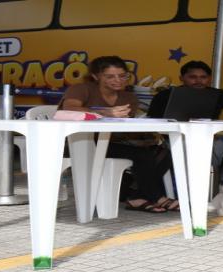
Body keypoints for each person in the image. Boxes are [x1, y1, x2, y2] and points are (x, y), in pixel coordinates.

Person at [59, 56, 178, 213]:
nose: (118, 80)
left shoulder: (129, 97)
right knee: (141, 155)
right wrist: (104, 112)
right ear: (96, 76)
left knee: (165, 152)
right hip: (80, 144)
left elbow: (122, 128)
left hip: (112, 142)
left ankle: (137, 195)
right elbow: (69, 108)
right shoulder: (82, 89)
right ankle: (156, 197)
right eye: (110, 76)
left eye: (122, 76)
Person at [147, 61, 223, 172]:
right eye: (193, 77)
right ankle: (199, 184)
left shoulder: (218, 94)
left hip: (212, 136)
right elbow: (151, 120)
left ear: (209, 79)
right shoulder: (164, 95)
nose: (198, 81)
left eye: (203, 77)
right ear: (181, 78)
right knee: (215, 147)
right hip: (175, 137)